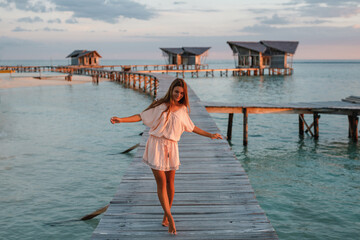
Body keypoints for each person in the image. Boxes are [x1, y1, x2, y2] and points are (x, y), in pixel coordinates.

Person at [110, 78, 222, 235]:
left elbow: (192, 126)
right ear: (171, 90)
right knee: (161, 183)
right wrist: (121, 119)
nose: (179, 95)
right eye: (176, 92)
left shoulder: (183, 109)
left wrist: (210, 135)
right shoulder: (160, 106)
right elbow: (141, 116)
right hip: (156, 146)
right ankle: (170, 216)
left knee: (171, 182)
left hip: (172, 147)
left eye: (182, 93)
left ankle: (165, 214)